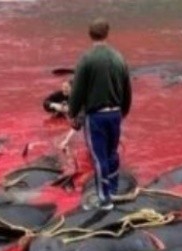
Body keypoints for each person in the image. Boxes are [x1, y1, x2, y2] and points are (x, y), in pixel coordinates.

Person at [67, 18, 132, 211]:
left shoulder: (86, 59)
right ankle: (112, 189)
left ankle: (104, 199)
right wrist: (124, 110)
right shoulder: (119, 58)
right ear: (107, 33)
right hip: (115, 114)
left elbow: (78, 90)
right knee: (112, 153)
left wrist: (72, 112)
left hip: (96, 116)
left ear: (90, 34)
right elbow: (127, 88)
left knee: (98, 157)